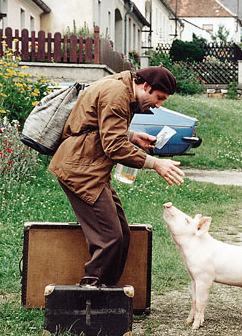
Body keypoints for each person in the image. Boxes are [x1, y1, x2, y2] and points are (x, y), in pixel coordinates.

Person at [49, 66, 185, 287]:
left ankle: (109, 294)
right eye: (159, 98)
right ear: (146, 86)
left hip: (91, 168)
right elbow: (114, 147)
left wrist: (132, 136)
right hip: (81, 170)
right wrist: (156, 163)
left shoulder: (120, 88)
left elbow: (95, 124)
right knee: (109, 238)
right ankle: (90, 294)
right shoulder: (117, 93)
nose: (159, 105)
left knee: (121, 232)